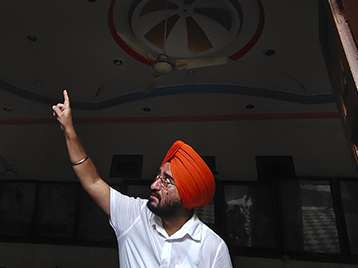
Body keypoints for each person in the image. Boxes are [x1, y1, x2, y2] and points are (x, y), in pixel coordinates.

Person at [53, 90, 233, 268]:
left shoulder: (213, 248)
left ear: (187, 195)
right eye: (158, 176)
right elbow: (92, 181)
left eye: (166, 181)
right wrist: (68, 129)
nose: (154, 185)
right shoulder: (134, 216)